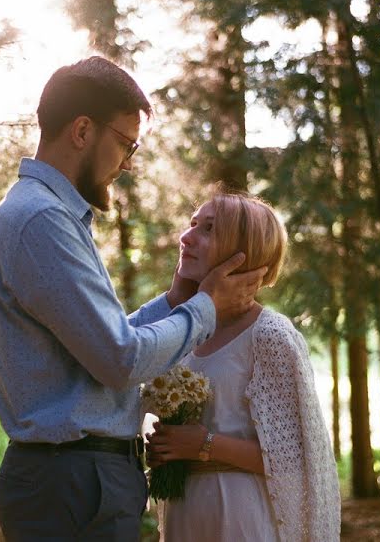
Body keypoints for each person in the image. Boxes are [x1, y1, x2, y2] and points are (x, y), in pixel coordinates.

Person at [0, 56, 266, 542]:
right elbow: (121, 359)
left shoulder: (44, 216)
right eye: (127, 144)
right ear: (83, 131)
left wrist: (177, 300)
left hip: (73, 478)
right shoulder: (42, 221)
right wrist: (208, 305)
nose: (129, 163)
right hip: (73, 481)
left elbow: (98, 344)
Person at [146, 191, 341, 542]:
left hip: (239, 518)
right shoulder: (182, 330)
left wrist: (203, 444)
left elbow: (297, 460)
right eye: (191, 225)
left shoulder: (270, 336)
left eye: (208, 229)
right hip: (185, 515)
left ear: (242, 252)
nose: (185, 237)